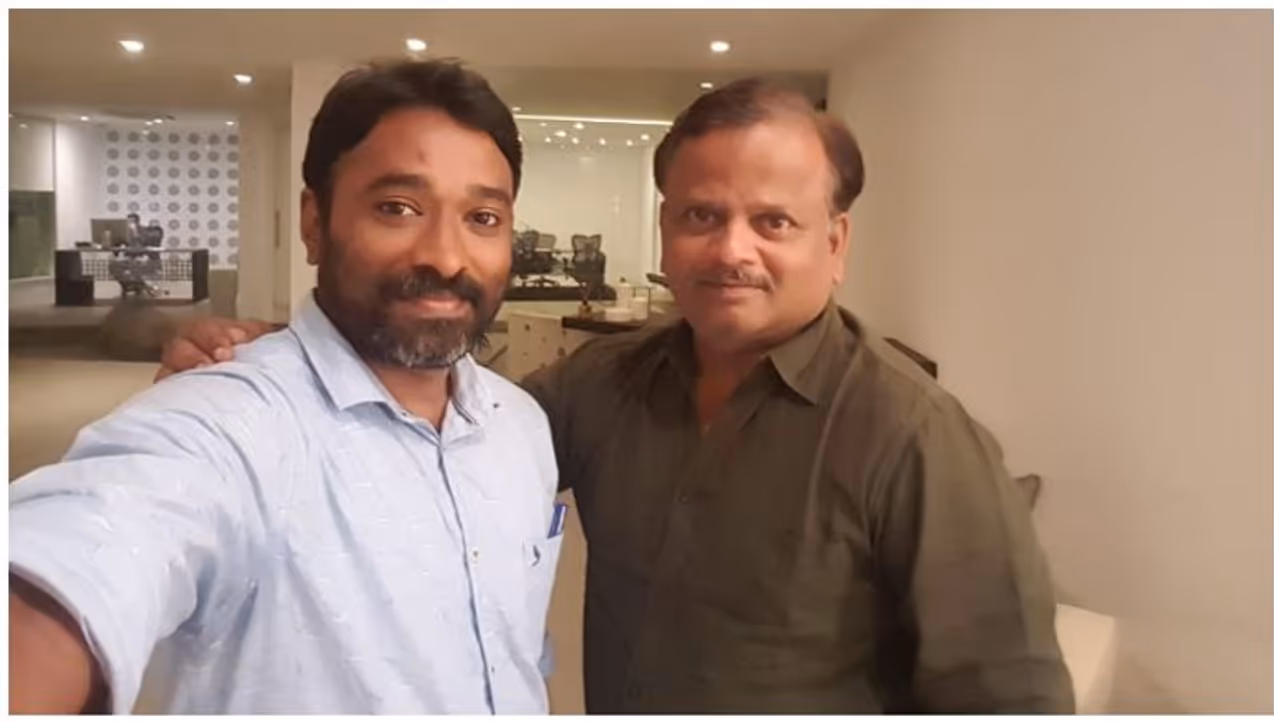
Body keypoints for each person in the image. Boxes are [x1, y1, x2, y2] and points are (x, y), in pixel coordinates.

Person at [158, 79, 1075, 713]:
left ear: (833, 245)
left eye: (774, 221)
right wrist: (278, 352)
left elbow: (1009, 695)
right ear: (667, 231)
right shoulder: (604, 382)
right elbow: (443, 424)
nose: (732, 250)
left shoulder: (916, 436)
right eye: (702, 216)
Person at [9, 59, 563, 714]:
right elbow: (89, 545)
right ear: (313, 222)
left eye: (483, 217)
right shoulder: (228, 419)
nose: (446, 256)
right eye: (397, 208)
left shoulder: (521, 425)